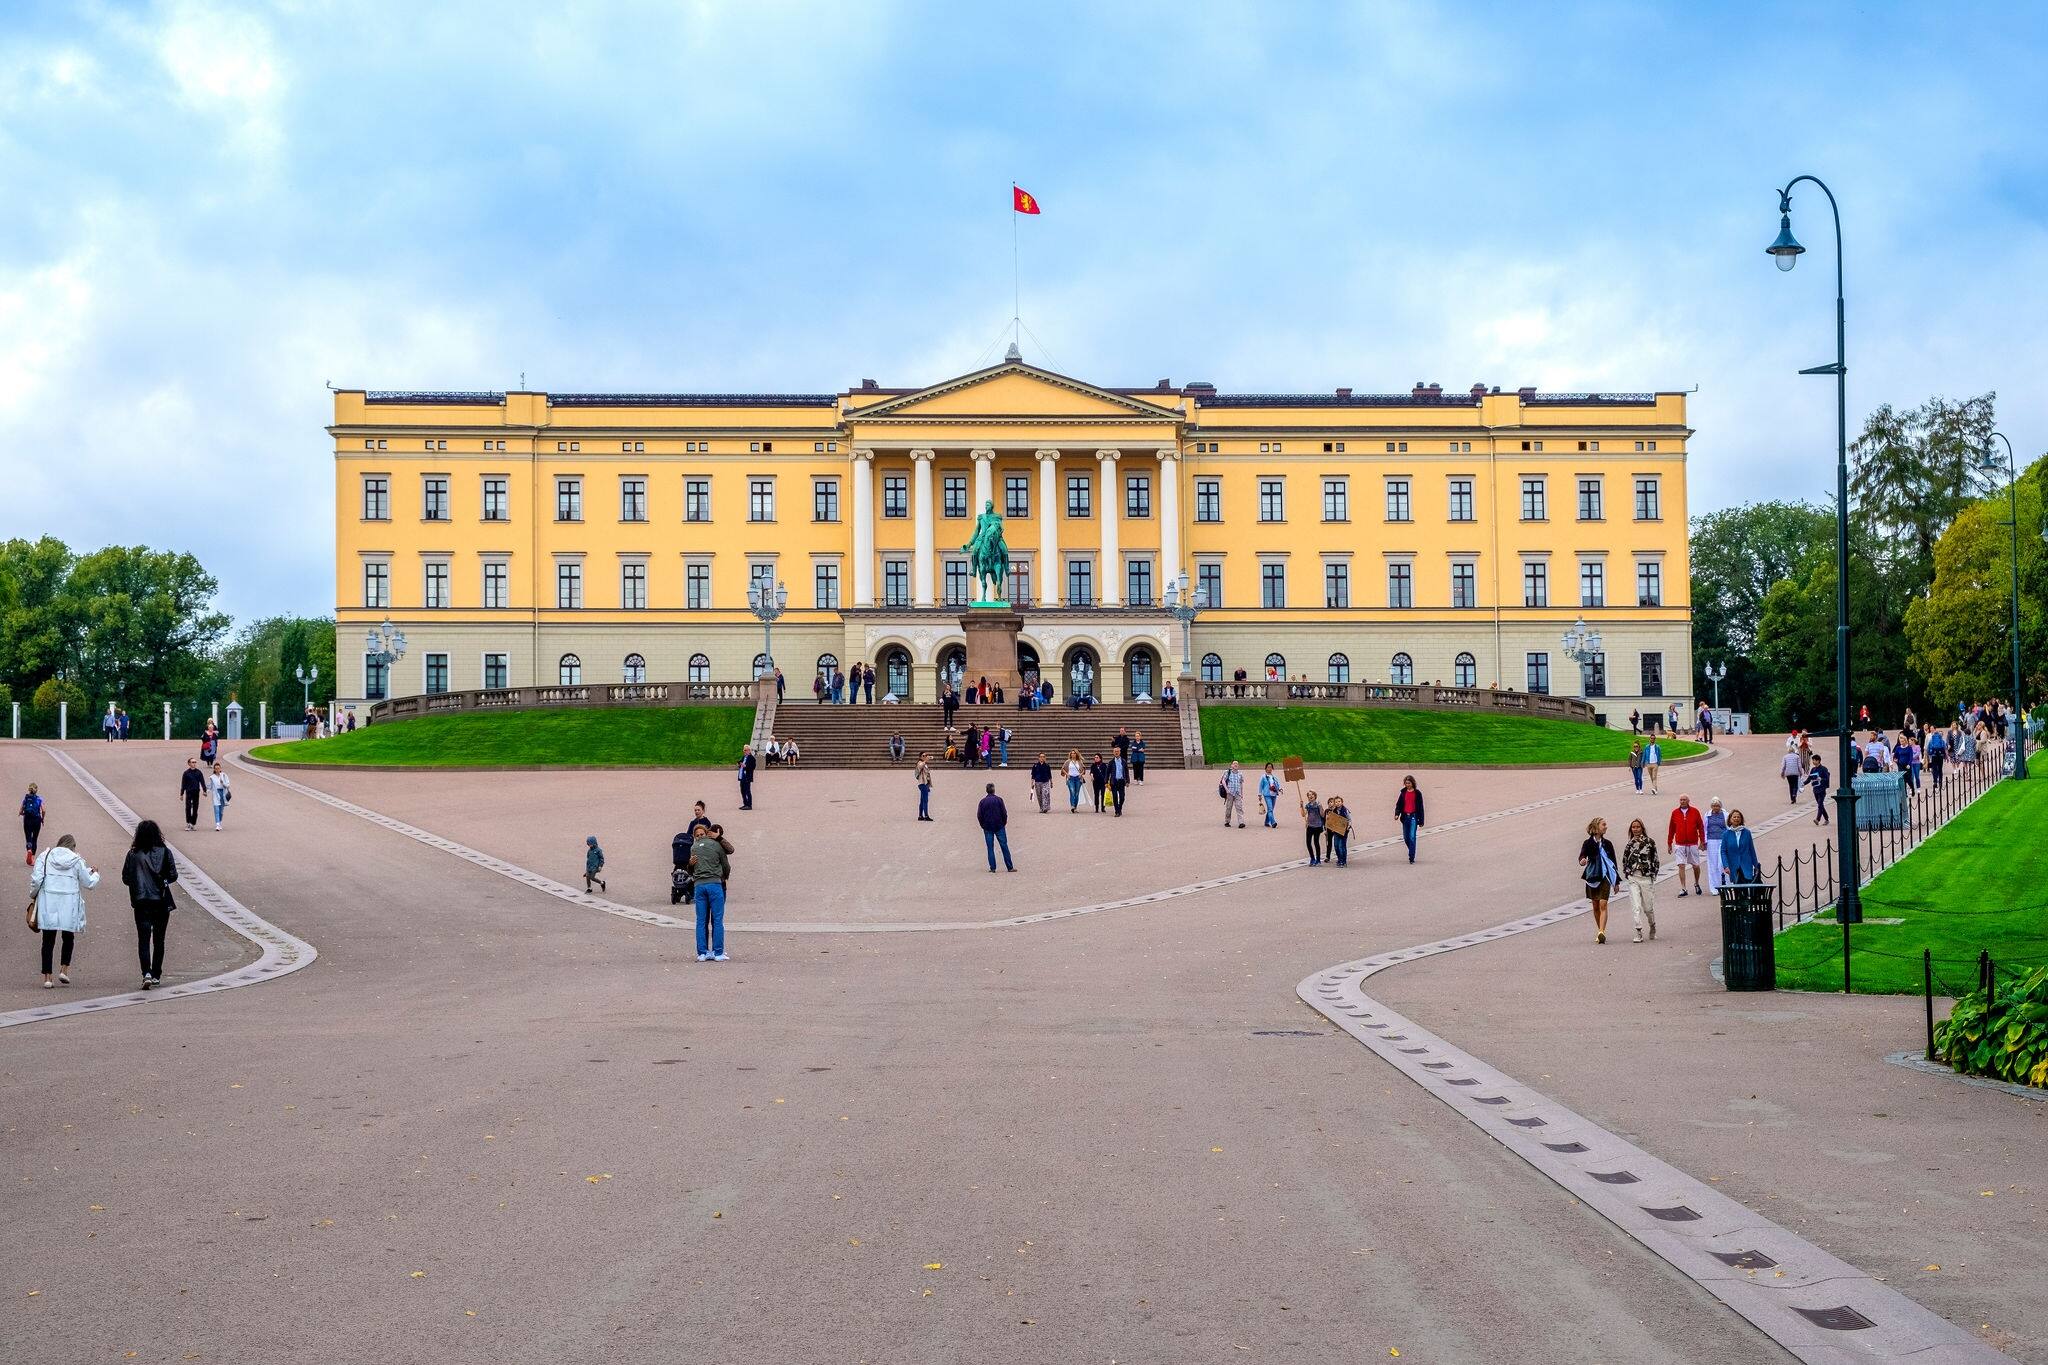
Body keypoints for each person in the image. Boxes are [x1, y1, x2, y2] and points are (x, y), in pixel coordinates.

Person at [30, 833, 98, 988]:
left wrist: (33, 895)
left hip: (49, 901)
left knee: (48, 941)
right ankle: (64, 970)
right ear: (73, 847)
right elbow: (88, 882)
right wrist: (96, 874)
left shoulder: (45, 857)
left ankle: (47, 978)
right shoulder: (76, 860)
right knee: (68, 937)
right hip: (69, 903)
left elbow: (37, 879)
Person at [121, 819, 179, 989]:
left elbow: (125, 878)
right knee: (159, 940)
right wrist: (163, 880)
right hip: (160, 900)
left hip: (140, 900)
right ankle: (156, 974)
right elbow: (173, 875)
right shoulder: (165, 852)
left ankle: (146, 972)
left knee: (143, 939)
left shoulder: (133, 854)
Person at [687, 823, 731, 961]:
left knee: (701, 920)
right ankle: (718, 952)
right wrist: (723, 877)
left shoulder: (693, 848)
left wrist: (691, 866)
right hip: (714, 884)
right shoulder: (716, 846)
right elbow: (726, 865)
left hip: (699, 886)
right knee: (717, 920)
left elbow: (691, 871)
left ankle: (702, 953)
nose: (700, 836)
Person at [1578, 817, 1618, 945]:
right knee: (1595, 906)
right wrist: (1582, 860)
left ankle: (1601, 932)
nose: (1606, 827)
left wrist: (1616, 881)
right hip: (1592, 876)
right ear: (1596, 827)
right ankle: (1600, 930)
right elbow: (1582, 855)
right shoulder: (1588, 843)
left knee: (1603, 904)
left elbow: (1613, 863)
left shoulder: (1608, 844)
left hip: (1605, 876)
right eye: (1603, 825)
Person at [1621, 818, 1660, 942]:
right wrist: (1627, 873)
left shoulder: (1649, 842)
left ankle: (1652, 925)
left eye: (1638, 827)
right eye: (1633, 827)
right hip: (1633, 878)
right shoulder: (1629, 844)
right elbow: (1624, 860)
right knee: (1636, 906)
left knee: (1648, 908)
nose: (1636, 829)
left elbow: (1655, 859)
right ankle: (1638, 931)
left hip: (1646, 878)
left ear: (1642, 828)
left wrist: (1653, 874)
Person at [1666, 795, 1705, 897]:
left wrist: (1702, 841)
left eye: (1684, 800)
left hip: (1692, 844)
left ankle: (1696, 883)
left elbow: (1700, 827)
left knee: (1696, 866)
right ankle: (1683, 888)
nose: (1682, 801)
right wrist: (1669, 843)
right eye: (1681, 800)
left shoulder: (1695, 811)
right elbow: (1671, 829)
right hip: (1680, 844)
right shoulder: (1675, 813)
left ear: (1688, 801)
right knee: (1681, 865)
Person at [976, 782, 1014, 873]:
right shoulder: (999, 800)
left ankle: (992, 868)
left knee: (990, 848)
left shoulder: (982, 802)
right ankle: (1009, 867)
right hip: (999, 825)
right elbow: (1004, 813)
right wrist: (1003, 823)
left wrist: (983, 825)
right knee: (1004, 846)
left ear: (986, 791)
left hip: (988, 827)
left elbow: (979, 815)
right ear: (994, 790)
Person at [1720, 809, 1761, 885]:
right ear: (1730, 819)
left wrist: (1756, 866)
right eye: (1734, 817)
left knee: (1747, 888)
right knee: (1737, 890)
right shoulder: (1726, 834)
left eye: (1738, 817)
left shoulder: (1747, 833)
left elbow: (1752, 850)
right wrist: (1726, 866)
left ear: (1741, 819)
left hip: (1746, 865)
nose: (1736, 819)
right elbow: (1723, 851)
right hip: (1733, 866)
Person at [1393, 775, 1425, 863]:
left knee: (1412, 837)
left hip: (1413, 817)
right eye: (1406, 783)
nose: (1407, 785)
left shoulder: (1417, 793)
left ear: (1412, 783)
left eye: (1409, 783)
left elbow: (1421, 808)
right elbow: (1398, 805)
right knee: (1406, 837)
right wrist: (1397, 814)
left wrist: (1421, 820)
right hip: (1405, 817)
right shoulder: (1403, 793)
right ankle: (1412, 849)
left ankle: (1411, 857)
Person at [1703, 798, 1728, 893]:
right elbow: (1704, 828)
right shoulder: (1707, 815)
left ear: (1720, 806)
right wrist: (1703, 842)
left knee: (1722, 863)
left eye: (1717, 805)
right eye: (1714, 806)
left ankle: (1727, 884)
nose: (1715, 807)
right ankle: (1715, 887)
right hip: (1711, 841)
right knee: (1712, 864)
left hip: (1723, 840)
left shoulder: (1725, 814)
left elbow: (1729, 827)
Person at [20, 782, 44, 867]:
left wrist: (22, 813)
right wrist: (42, 818)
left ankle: (29, 850)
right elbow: (43, 810)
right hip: (37, 820)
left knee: (28, 837)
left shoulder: (25, 798)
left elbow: (21, 810)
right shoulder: (39, 799)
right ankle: (32, 858)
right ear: (36, 790)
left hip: (27, 819)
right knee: (35, 838)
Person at [1323, 795, 1351, 866]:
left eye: (1339, 801)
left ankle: (1343, 861)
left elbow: (1349, 820)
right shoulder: (1334, 811)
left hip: (1343, 832)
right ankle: (1339, 859)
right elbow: (1331, 821)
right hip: (1336, 831)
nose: (1338, 803)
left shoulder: (1345, 810)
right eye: (1336, 802)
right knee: (1336, 846)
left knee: (1342, 846)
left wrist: (1349, 826)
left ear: (1342, 802)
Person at [1301, 789, 1324, 866]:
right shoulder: (1308, 805)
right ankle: (1312, 858)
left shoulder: (1318, 804)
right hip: (1310, 826)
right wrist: (1301, 806)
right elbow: (1303, 814)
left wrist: (1320, 806)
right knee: (1308, 842)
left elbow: (1322, 815)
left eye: (1312, 795)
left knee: (1316, 842)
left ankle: (1318, 859)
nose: (1310, 796)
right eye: (1309, 795)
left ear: (1315, 796)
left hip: (1317, 826)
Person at [1807, 757, 1831, 825]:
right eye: (1813, 760)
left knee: (1820, 804)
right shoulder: (1813, 769)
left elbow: (1827, 778)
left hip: (1822, 789)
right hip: (1815, 789)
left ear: (1818, 761)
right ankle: (1826, 819)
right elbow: (1809, 778)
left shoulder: (1823, 769)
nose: (1813, 762)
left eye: (1814, 760)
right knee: (1820, 805)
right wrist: (1803, 783)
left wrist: (1821, 779)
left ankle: (1817, 819)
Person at [1221, 761, 1245, 828]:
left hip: (1238, 793)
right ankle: (1227, 821)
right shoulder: (1227, 772)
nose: (1235, 765)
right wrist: (1227, 789)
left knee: (1239, 807)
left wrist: (1242, 793)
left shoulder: (1240, 774)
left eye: (1237, 764)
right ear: (1231, 765)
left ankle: (1241, 822)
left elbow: (1241, 784)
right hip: (1230, 793)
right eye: (1234, 763)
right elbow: (1223, 781)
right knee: (1229, 807)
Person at [1258, 763, 1281, 829]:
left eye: (1271, 767)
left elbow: (1277, 784)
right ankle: (1273, 822)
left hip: (1274, 794)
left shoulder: (1274, 777)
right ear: (1265, 768)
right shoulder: (1263, 777)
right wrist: (1259, 794)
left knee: (1271, 809)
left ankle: (1266, 822)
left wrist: (1280, 789)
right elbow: (1260, 786)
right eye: (1268, 767)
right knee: (1270, 809)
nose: (1269, 769)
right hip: (1267, 794)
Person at [1108, 750, 1128, 816]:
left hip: (1121, 781)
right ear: (1113, 752)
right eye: (1115, 751)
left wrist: (1127, 781)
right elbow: (1107, 773)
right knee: (1115, 796)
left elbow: (1126, 772)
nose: (1116, 753)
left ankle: (1119, 808)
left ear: (1120, 752)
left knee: (1122, 797)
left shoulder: (1123, 761)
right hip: (1114, 781)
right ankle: (1117, 811)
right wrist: (1106, 782)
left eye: (1117, 751)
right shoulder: (1111, 762)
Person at [916, 752, 934, 821]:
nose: (925, 756)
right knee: (925, 800)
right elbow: (920, 766)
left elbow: (927, 775)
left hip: (925, 784)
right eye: (923, 755)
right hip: (922, 784)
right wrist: (925, 760)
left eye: (926, 755)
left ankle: (920, 816)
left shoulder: (924, 764)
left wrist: (929, 785)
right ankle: (926, 816)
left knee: (922, 800)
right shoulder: (919, 763)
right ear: (920, 757)